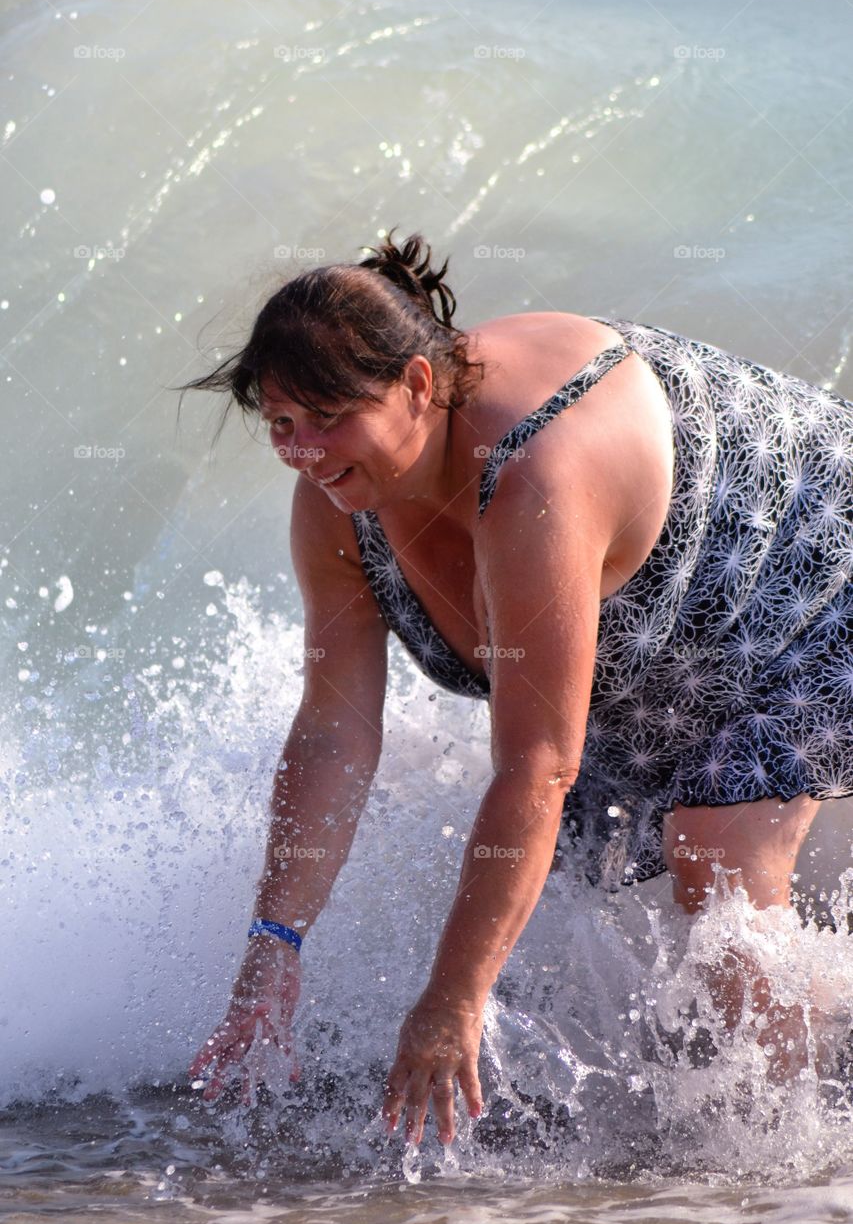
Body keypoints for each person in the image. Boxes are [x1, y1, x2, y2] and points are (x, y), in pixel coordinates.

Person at [184, 228, 853, 1142]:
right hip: (665, 669)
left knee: (715, 851)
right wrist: (274, 950)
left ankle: (782, 1164)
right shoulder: (340, 499)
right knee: (580, 898)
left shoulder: (535, 471)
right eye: (281, 425)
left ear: (419, 384)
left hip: (821, 583)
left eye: (328, 416)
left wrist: (450, 1003)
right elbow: (333, 731)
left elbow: (536, 763)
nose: (302, 451)